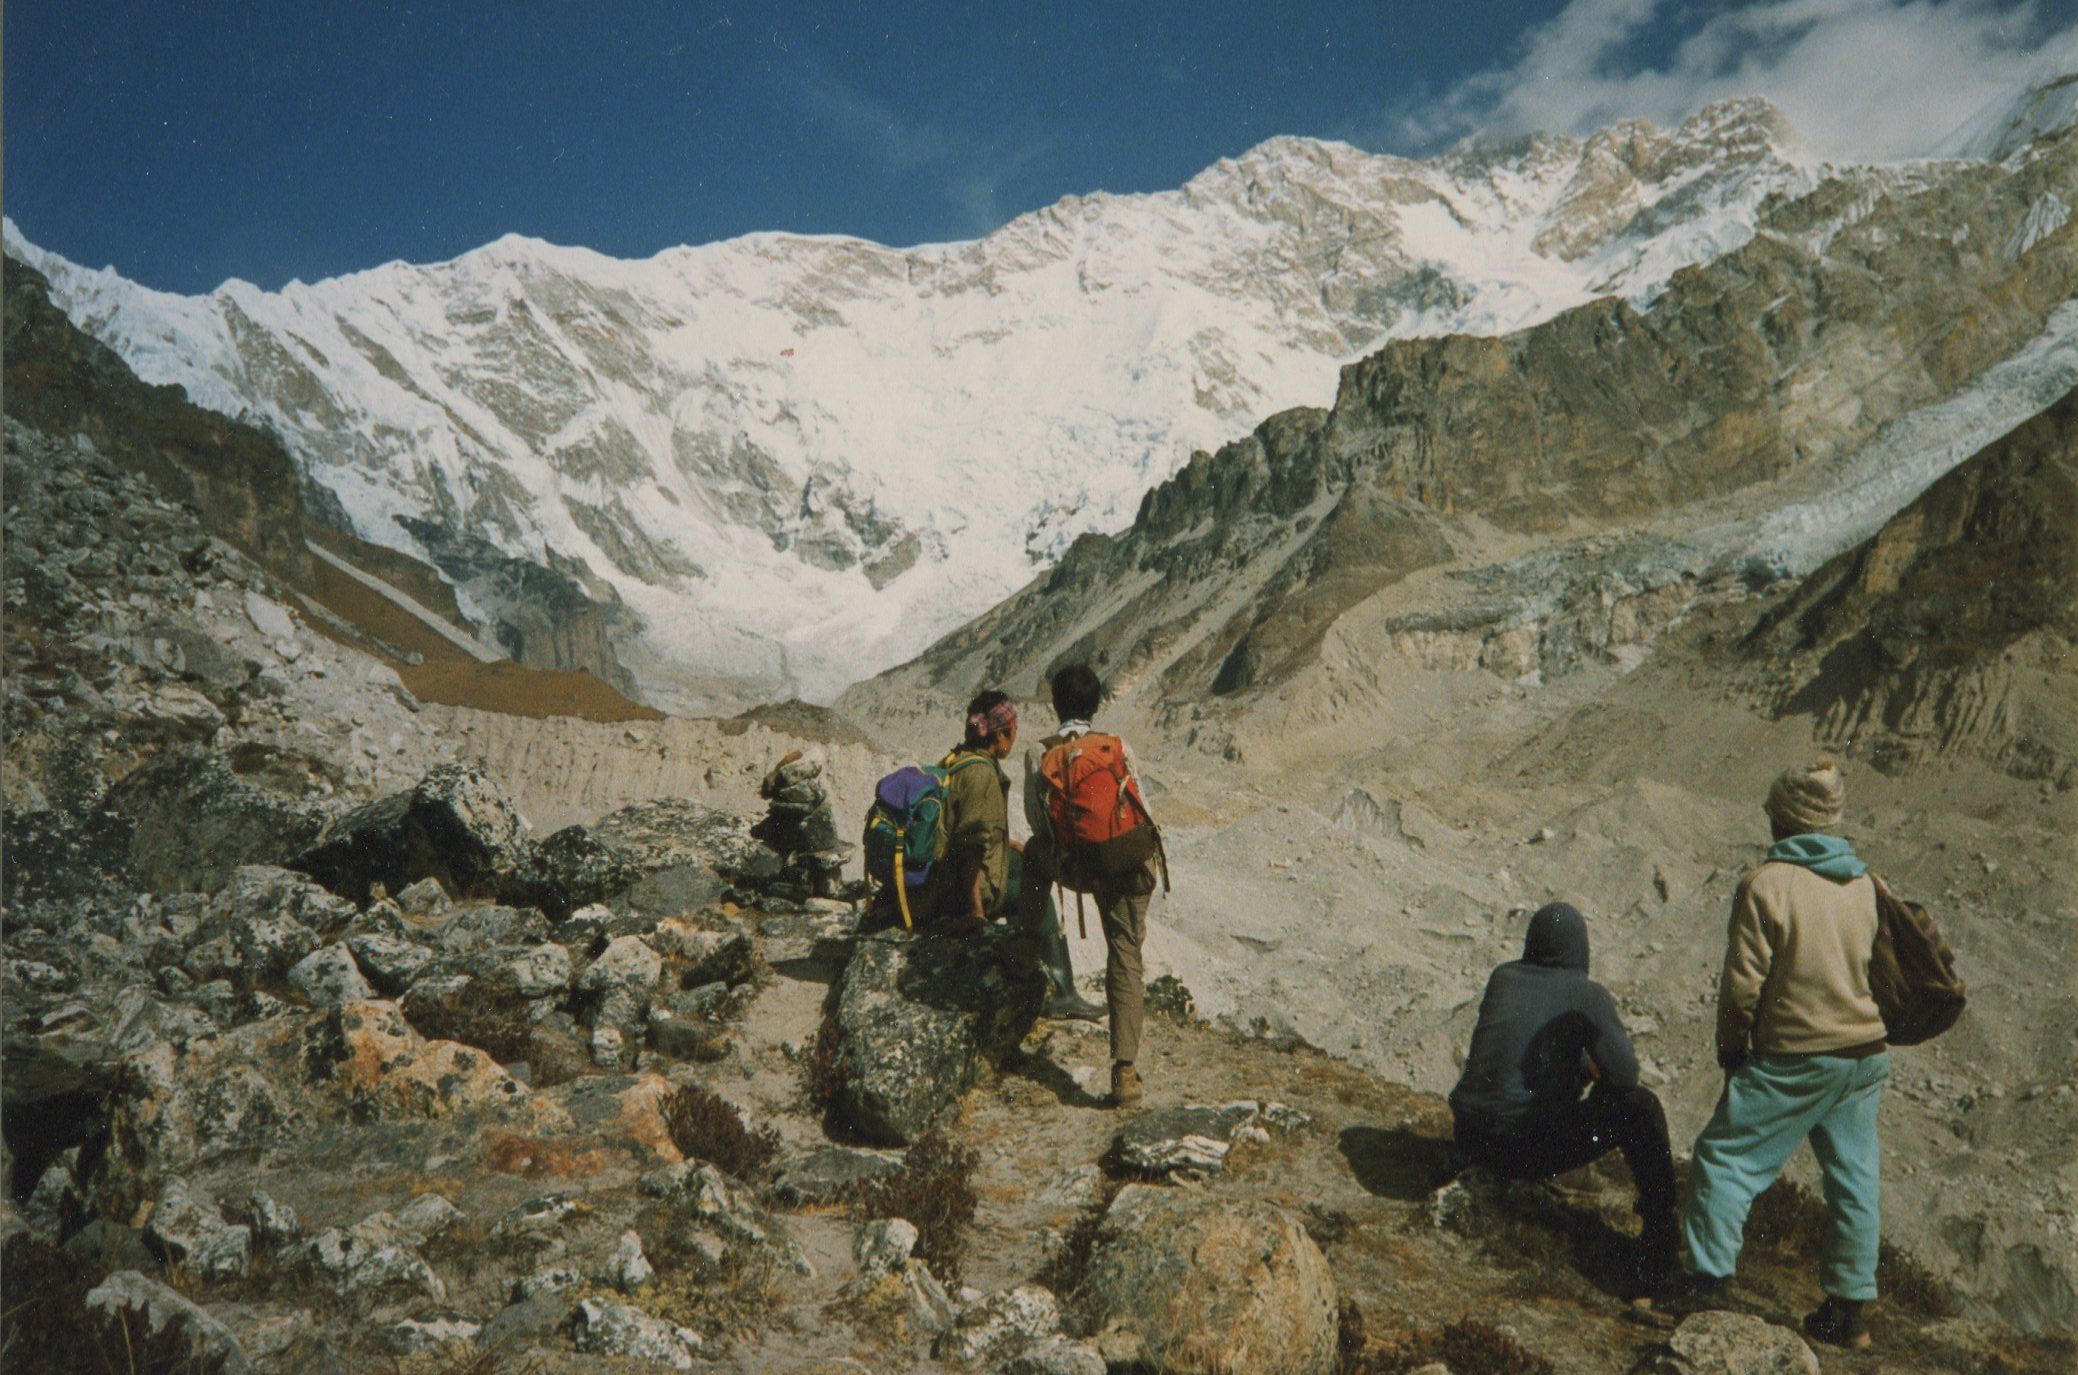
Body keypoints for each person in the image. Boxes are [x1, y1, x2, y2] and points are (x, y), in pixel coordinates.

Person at [1680, 760, 1889, 1349]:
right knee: (1854, 1178)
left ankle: (1705, 1286)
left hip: (1798, 1053)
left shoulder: (1766, 884)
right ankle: (1849, 1316)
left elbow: (1743, 984)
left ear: (1784, 821)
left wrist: (1731, 1051)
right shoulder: (1865, 883)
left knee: (1724, 1158)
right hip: (1864, 1053)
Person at [1448, 901, 1680, 1292]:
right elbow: (1625, 1078)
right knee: (1641, 1108)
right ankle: (1660, 1242)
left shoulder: (1503, 977)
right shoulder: (1586, 993)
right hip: (1518, 1150)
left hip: (1469, 1136)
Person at [1018, 664, 1158, 1109]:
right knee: (1125, 953)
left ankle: (1024, 959)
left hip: (1077, 867)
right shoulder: (1117, 747)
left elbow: (1037, 822)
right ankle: (1125, 1072)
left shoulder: (1038, 753)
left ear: (1055, 705)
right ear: (1096, 706)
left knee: (1032, 854)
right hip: (1123, 862)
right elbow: (1143, 809)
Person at [934, 690, 1020, 935]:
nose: (1014, 739)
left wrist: (1005, 843)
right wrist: (976, 911)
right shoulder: (982, 774)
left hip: (942, 874)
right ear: (1001, 734)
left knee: (1026, 860)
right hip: (959, 889)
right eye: (1013, 732)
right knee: (1035, 891)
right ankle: (1043, 968)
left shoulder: (955, 758)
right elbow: (970, 845)